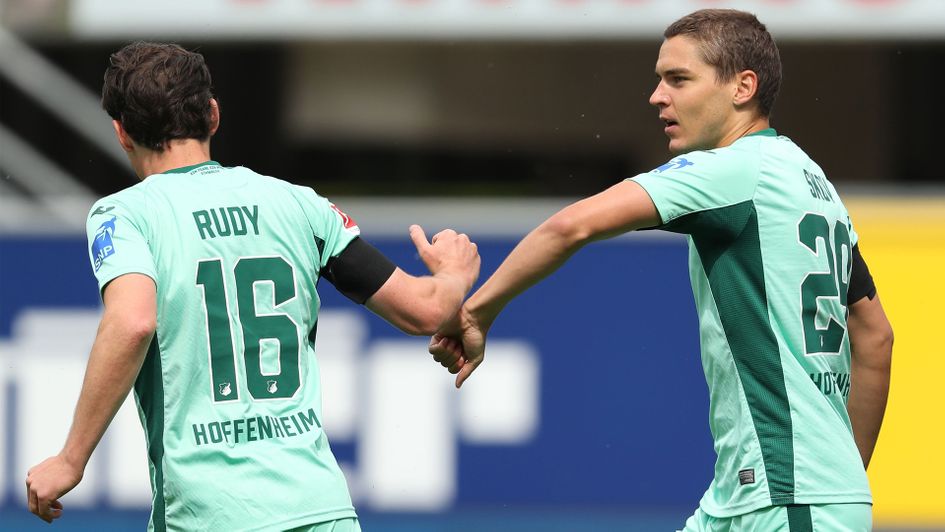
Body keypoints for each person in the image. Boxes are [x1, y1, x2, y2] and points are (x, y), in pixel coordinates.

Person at [430, 9, 893, 531]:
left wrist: (477, 312)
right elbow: (875, 335)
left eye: (678, 79)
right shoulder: (810, 178)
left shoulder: (730, 170)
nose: (657, 96)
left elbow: (570, 228)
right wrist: (839, 481)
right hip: (758, 494)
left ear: (743, 87)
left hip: (785, 497)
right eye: (659, 79)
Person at [25, 42, 480, 531]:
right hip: (320, 510)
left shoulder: (125, 214)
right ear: (213, 115)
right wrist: (453, 274)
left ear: (121, 133)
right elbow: (424, 311)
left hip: (210, 514)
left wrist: (71, 459)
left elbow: (133, 321)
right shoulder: (298, 205)